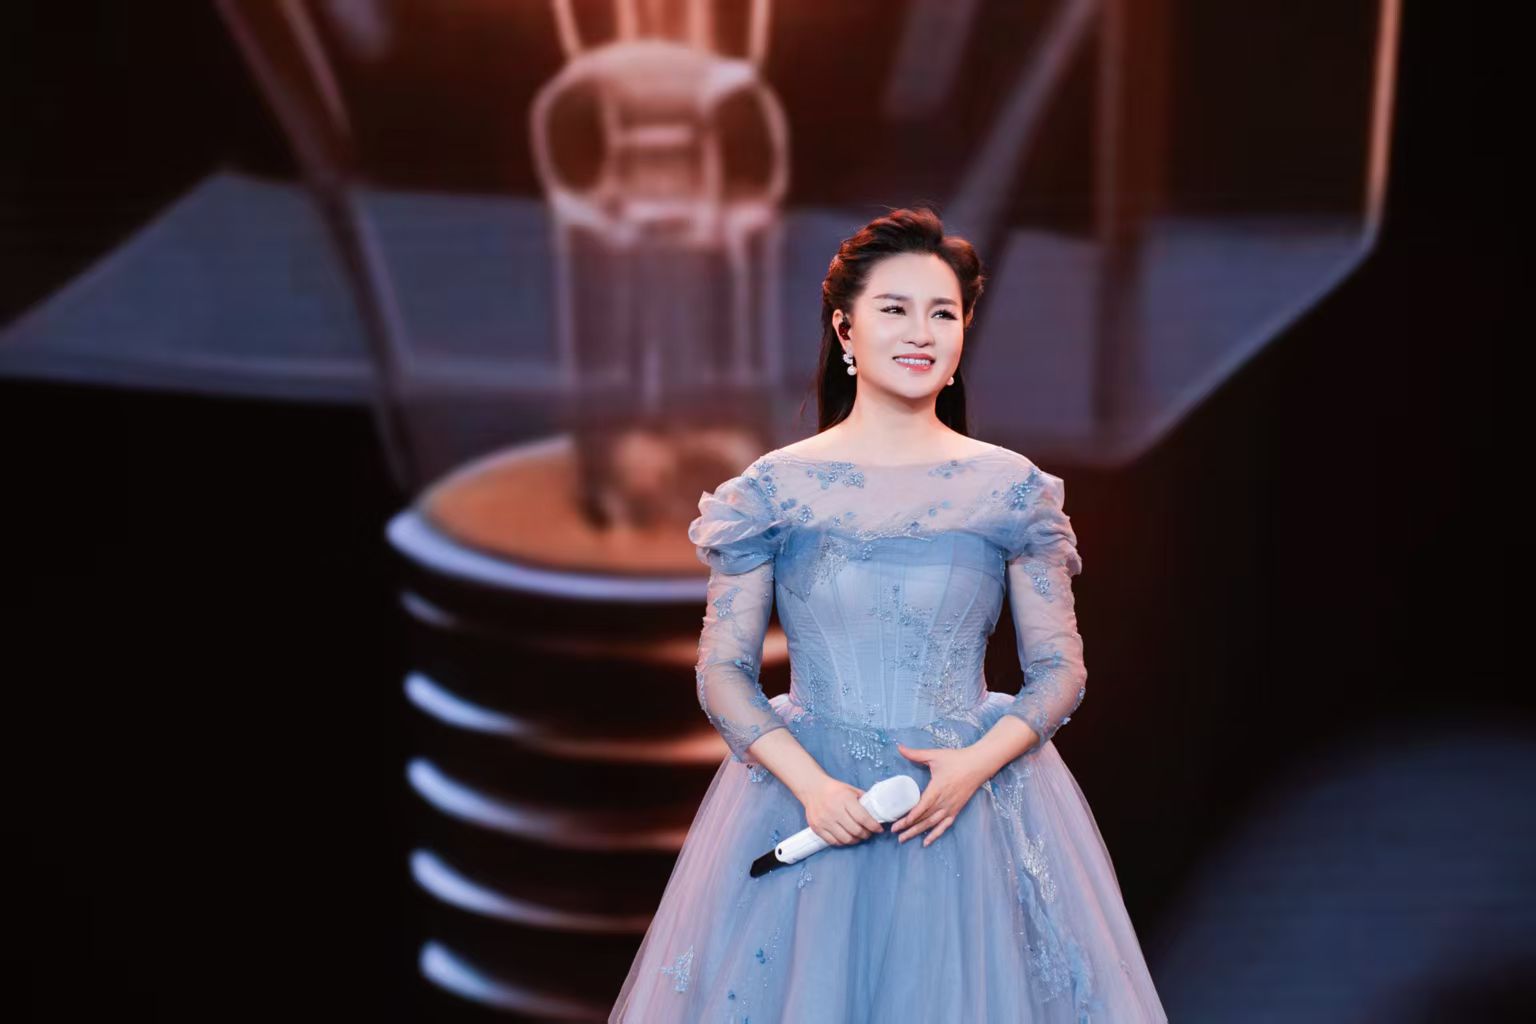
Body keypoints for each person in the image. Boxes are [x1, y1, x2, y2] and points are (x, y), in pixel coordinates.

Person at [610, 207, 1168, 1022]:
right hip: (809, 793)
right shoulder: (770, 490)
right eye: (895, 309)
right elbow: (723, 673)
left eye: (943, 313)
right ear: (846, 328)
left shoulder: (1012, 490)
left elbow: (1060, 671)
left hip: (969, 803)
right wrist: (813, 790)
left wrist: (972, 767)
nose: (921, 333)